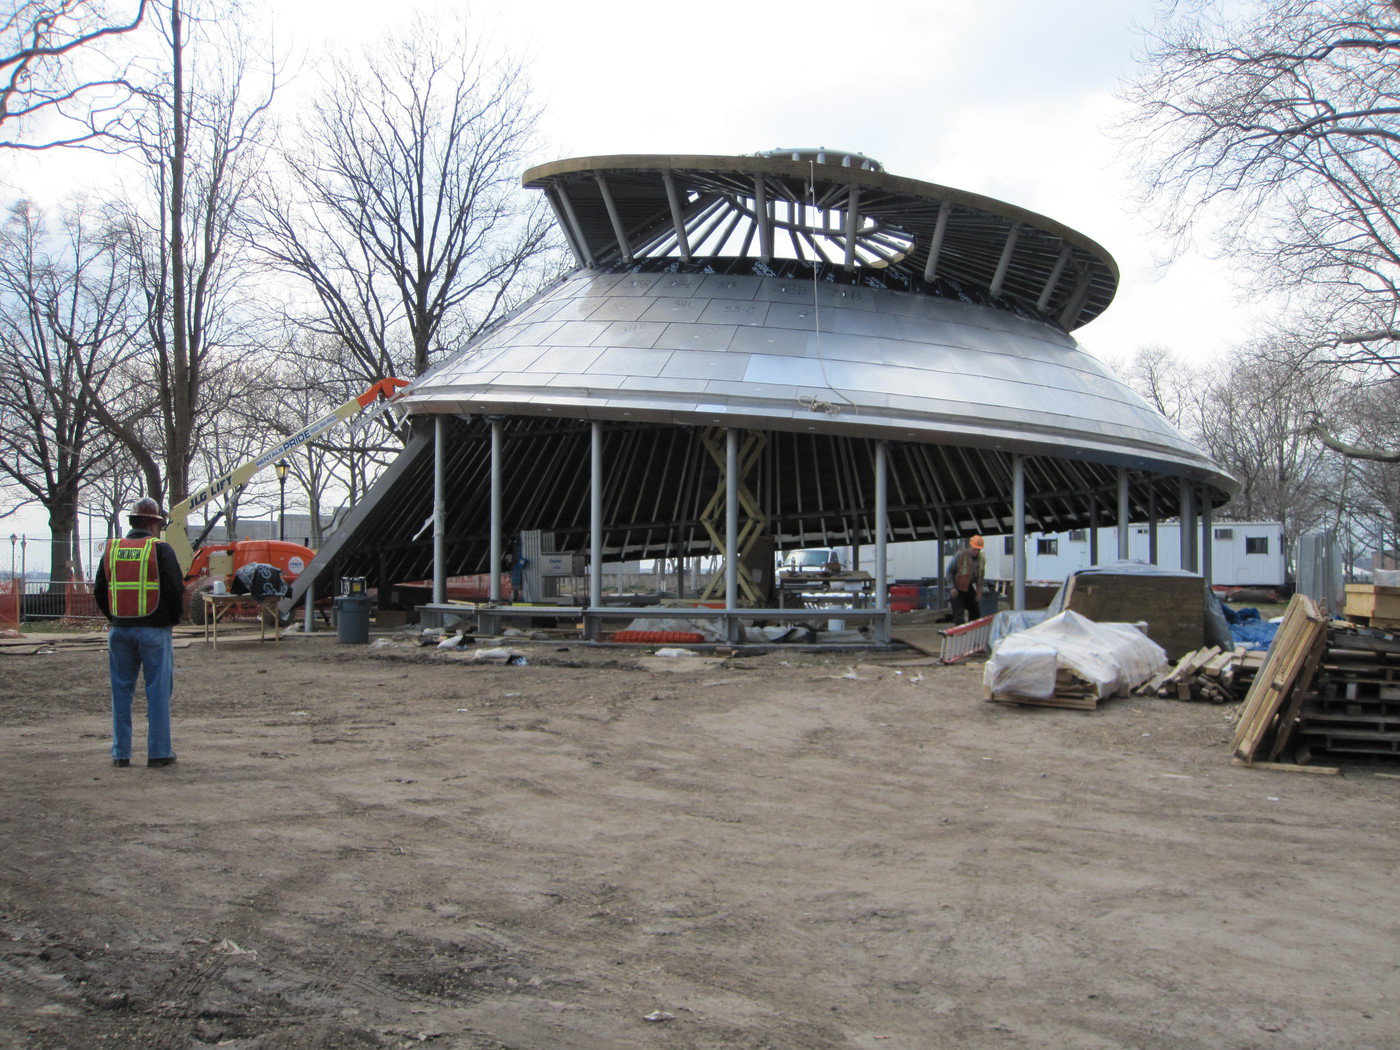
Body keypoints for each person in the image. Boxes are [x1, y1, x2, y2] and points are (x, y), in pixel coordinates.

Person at [94, 497, 186, 768]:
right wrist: (171, 620)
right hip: (154, 630)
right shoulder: (160, 549)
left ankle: (120, 754)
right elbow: (174, 589)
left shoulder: (112, 549)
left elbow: (100, 589)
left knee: (121, 692)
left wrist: (116, 617)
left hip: (120, 630)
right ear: (153, 523)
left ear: (133, 521)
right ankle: (158, 753)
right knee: (157, 691)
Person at [946, 534, 986, 624]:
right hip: (957, 588)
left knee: (975, 611)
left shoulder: (981, 559)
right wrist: (952, 587)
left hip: (968, 587)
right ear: (970, 546)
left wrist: (979, 591)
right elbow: (948, 571)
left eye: (978, 549)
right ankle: (960, 634)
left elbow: (981, 576)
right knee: (959, 614)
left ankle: (972, 631)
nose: (976, 551)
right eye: (974, 549)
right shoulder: (960, 555)